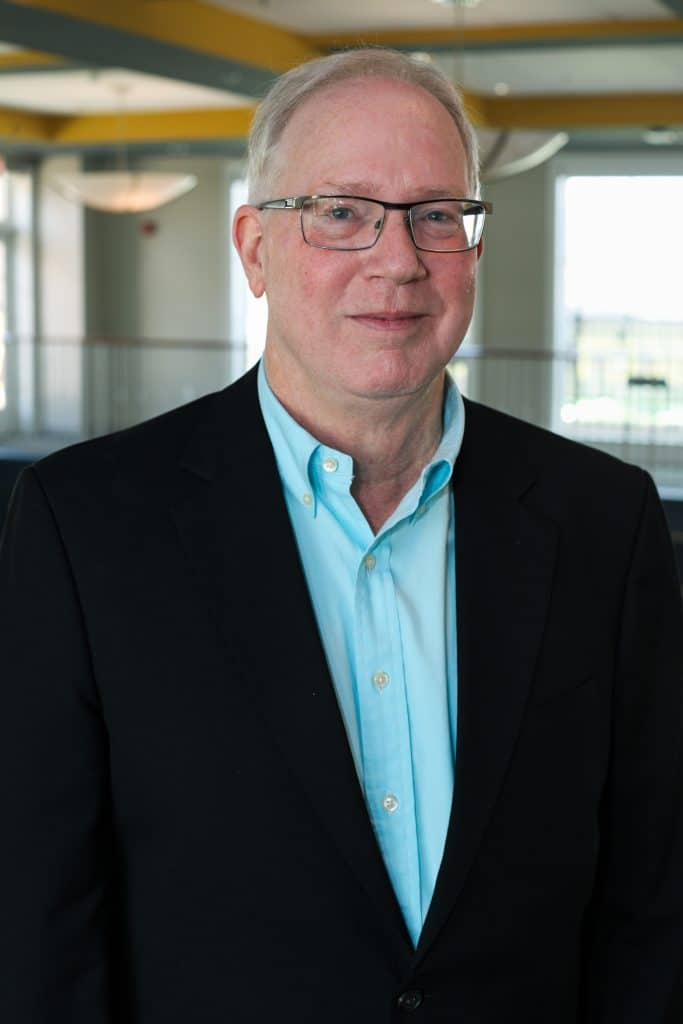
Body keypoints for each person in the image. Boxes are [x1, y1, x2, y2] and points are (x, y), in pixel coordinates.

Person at [1, 48, 682, 1024]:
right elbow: (41, 929)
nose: (397, 259)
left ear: (472, 246)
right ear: (253, 249)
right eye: (341, 211)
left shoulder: (603, 521)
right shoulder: (85, 524)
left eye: (436, 214)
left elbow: (650, 899)